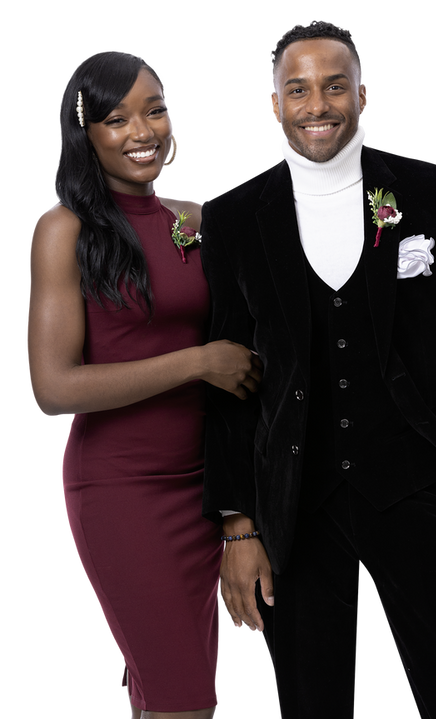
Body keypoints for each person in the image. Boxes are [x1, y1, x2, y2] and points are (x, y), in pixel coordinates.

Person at [200, 18, 436, 719]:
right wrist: (237, 524)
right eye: (298, 89)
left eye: (333, 86)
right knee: (309, 704)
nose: (316, 104)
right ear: (272, 105)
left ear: (363, 94)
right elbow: (226, 379)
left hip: (421, 480)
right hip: (293, 499)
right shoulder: (231, 216)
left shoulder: (429, 186)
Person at [25, 48, 262, 719]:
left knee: (176, 692)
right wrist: (193, 362)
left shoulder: (200, 220)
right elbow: (52, 387)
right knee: (181, 697)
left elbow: (249, 355)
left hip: (207, 485)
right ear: (85, 134)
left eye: (154, 110)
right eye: (115, 118)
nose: (142, 131)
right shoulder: (61, 230)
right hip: (122, 487)